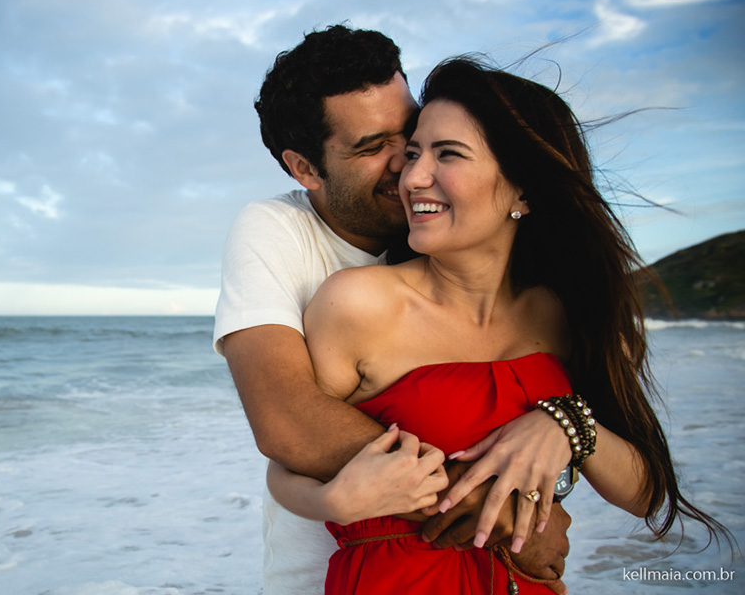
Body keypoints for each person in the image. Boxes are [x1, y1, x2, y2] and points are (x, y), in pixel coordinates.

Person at [266, 55, 729, 593]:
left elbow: (646, 494)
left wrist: (565, 426)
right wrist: (330, 501)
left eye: (448, 155)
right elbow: (289, 459)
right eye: (413, 153)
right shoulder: (356, 305)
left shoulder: (566, 316)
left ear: (523, 191)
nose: (413, 177)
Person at [214, 26, 573, 594]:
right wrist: (489, 506)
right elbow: (286, 421)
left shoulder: (448, 230)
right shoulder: (276, 230)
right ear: (305, 168)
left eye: (409, 133)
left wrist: (564, 426)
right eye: (370, 146)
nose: (406, 163)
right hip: (329, 573)